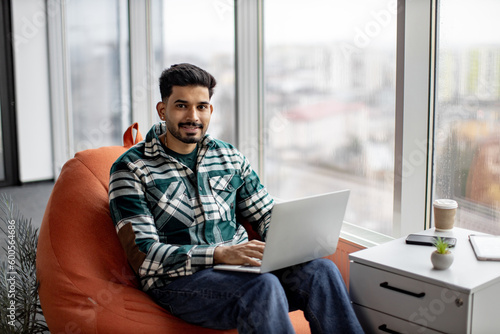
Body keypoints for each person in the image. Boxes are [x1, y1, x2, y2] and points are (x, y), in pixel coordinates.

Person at [108, 63, 363, 333]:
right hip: (179, 283)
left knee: (321, 272)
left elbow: (264, 214)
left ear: (210, 110)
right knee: (263, 287)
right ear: (163, 110)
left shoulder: (229, 156)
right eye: (181, 105)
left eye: (201, 106)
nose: (193, 116)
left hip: (242, 269)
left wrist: (293, 240)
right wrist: (219, 254)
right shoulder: (131, 168)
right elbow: (144, 255)